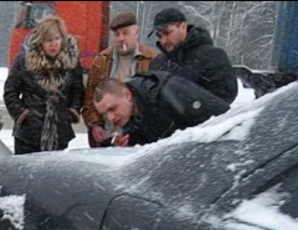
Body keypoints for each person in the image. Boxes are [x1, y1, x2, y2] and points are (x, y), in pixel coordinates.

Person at [3, 16, 85, 154]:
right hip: (29, 134)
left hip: (60, 132)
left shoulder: (71, 62)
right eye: (48, 40)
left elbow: (78, 90)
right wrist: (23, 114)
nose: (53, 44)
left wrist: (72, 112)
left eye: (57, 39)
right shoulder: (25, 61)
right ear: (40, 40)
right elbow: (10, 92)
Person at [82, 11, 159, 147]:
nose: (121, 38)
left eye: (125, 33)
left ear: (136, 32)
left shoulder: (152, 59)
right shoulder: (101, 62)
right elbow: (90, 99)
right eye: (117, 34)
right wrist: (95, 124)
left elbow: (155, 103)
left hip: (140, 137)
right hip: (108, 136)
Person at [92, 73, 230, 147]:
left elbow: (225, 118)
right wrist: (126, 149)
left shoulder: (169, 91)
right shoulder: (129, 116)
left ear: (127, 95)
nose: (110, 118)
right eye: (104, 114)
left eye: (112, 108)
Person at [149, 8, 238, 104]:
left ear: (183, 27)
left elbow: (222, 100)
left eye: (167, 33)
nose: (163, 41)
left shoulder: (212, 56)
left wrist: (184, 107)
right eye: (159, 36)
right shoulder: (157, 63)